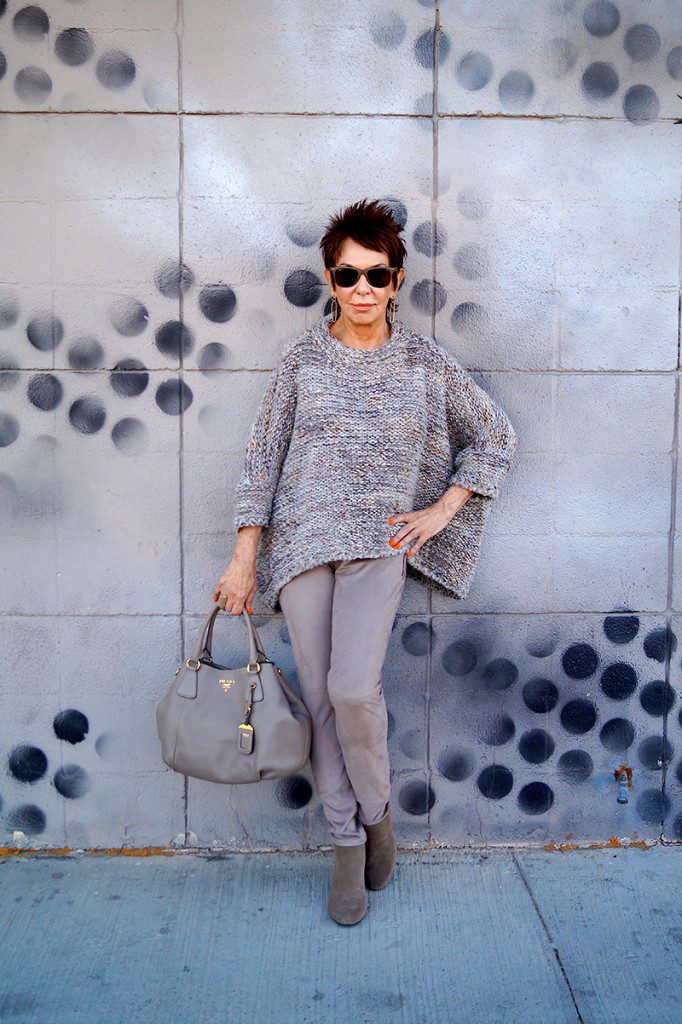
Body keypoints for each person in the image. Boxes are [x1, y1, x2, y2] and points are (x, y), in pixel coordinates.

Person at [213, 198, 517, 926]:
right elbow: (262, 457)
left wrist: (441, 511)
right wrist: (244, 556)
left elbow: (494, 436)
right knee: (318, 700)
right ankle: (348, 846)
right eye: (347, 274)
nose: (361, 289)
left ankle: (379, 816)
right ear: (330, 278)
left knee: (354, 691)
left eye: (376, 275)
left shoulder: (422, 359)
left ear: (396, 279)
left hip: (378, 545)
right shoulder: (301, 359)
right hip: (303, 544)